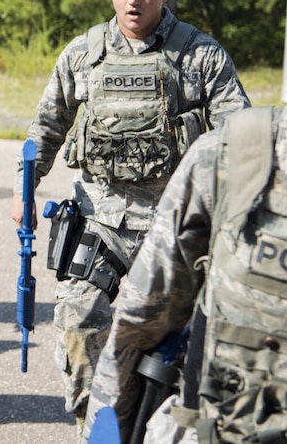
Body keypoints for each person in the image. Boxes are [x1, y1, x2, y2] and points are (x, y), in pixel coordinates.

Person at [9, 0, 250, 436]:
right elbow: (45, 129)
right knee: (77, 329)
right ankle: (92, 427)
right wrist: (22, 189)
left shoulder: (199, 54)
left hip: (175, 225)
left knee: (169, 349)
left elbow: (239, 137)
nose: (133, 0)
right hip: (101, 222)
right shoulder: (84, 53)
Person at [85, 105, 287, 443]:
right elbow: (142, 318)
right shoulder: (235, 152)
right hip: (229, 423)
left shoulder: (235, 149)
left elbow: (141, 319)